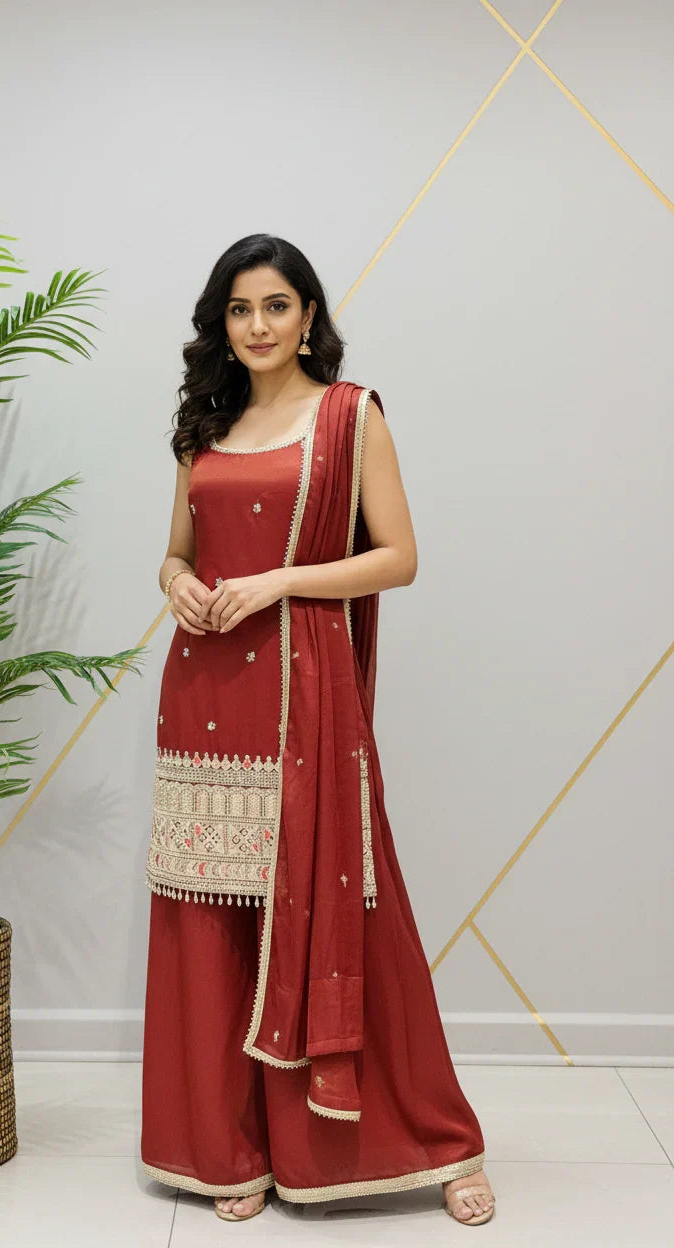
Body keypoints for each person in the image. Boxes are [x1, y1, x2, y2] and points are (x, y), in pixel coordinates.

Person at [140, 233, 496, 1227]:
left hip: (303, 689)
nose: (256, 326)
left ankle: (435, 1137)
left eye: (276, 307)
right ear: (221, 321)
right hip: (205, 692)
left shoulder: (350, 417)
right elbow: (173, 555)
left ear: (308, 318)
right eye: (239, 309)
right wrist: (180, 587)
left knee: (344, 909)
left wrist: (276, 584)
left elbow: (397, 558)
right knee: (212, 917)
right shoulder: (200, 429)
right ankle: (229, 1150)